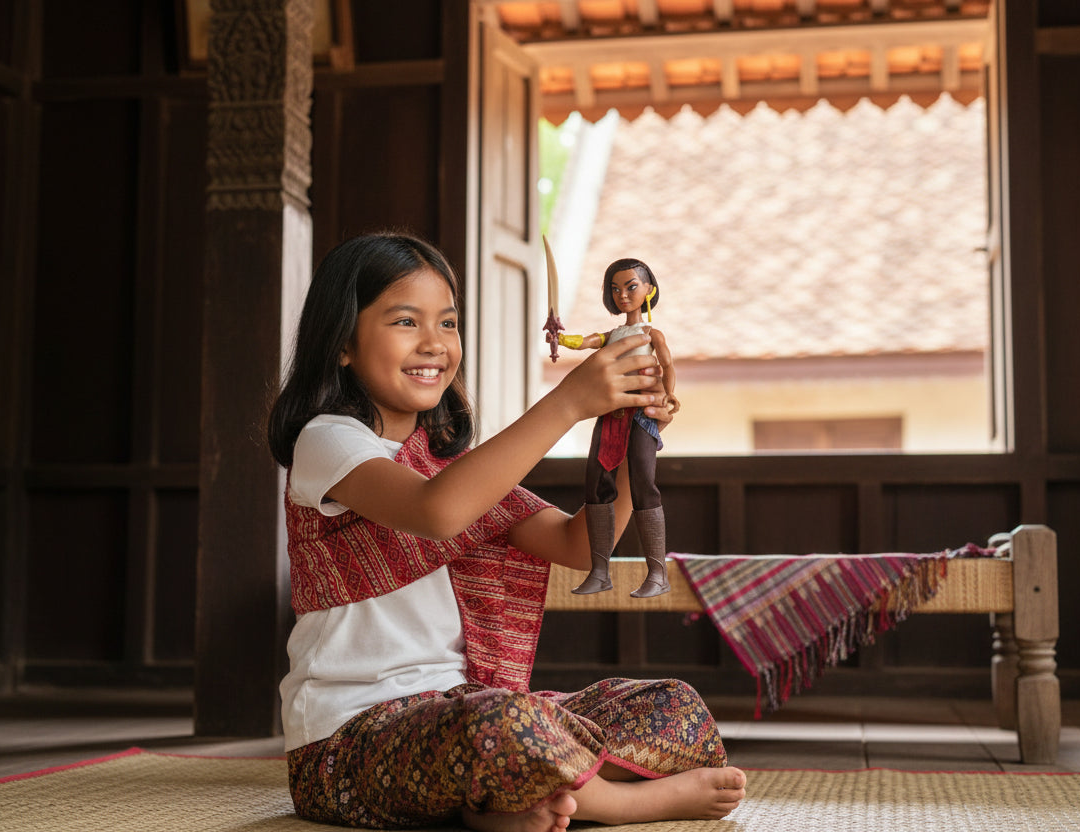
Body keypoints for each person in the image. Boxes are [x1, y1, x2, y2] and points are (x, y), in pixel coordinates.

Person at [267, 232, 745, 832]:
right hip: (347, 743)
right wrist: (569, 402)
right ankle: (616, 802)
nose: (434, 344)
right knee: (502, 727)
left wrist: (636, 433)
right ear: (342, 342)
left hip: (461, 710)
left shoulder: (448, 466)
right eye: (405, 321)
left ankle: (506, 798)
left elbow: (577, 545)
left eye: (448, 323)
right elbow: (438, 512)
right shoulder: (329, 440)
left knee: (673, 707)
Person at [556, 259, 678, 598]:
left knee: (643, 481)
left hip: (641, 410)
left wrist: (669, 395)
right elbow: (585, 342)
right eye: (615, 288)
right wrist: (561, 338)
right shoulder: (612, 335)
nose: (623, 295)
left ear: (648, 290)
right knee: (596, 483)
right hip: (610, 412)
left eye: (631, 286)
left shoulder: (651, 334)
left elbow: (667, 364)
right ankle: (599, 570)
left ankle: (657, 572)